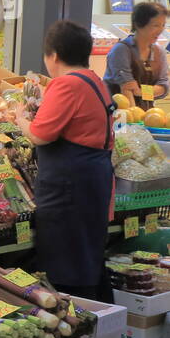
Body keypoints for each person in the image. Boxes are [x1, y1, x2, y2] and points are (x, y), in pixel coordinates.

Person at [15, 20, 115, 301]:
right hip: (91, 182)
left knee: (68, 261)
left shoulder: (66, 85)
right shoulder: (95, 80)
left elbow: (40, 135)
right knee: (87, 255)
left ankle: (77, 319)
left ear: (54, 55)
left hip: (70, 188)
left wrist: (21, 119)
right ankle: (100, 321)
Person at [103, 1, 170, 110]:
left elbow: (163, 87)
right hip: (118, 114)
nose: (161, 30)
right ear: (138, 25)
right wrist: (135, 120)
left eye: (163, 25)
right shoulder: (121, 50)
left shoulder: (159, 51)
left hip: (145, 115)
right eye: (156, 25)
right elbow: (126, 89)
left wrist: (140, 91)